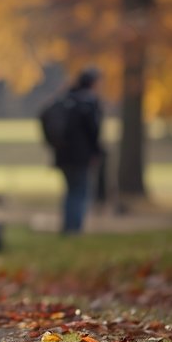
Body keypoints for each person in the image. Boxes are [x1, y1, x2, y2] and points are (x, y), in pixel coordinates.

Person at [52, 66, 104, 234]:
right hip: (81, 156)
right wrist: (96, 152)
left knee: (70, 190)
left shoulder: (67, 99)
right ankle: (75, 228)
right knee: (80, 191)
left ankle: (68, 226)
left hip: (63, 154)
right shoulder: (88, 102)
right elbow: (93, 131)